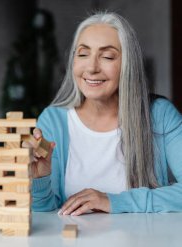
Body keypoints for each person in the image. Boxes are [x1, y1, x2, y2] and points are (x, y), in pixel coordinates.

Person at [29, 12, 182, 216]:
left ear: (128, 65)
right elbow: (44, 213)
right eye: (83, 54)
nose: (92, 68)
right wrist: (40, 180)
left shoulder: (160, 115)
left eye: (107, 56)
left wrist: (114, 202)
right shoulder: (52, 120)